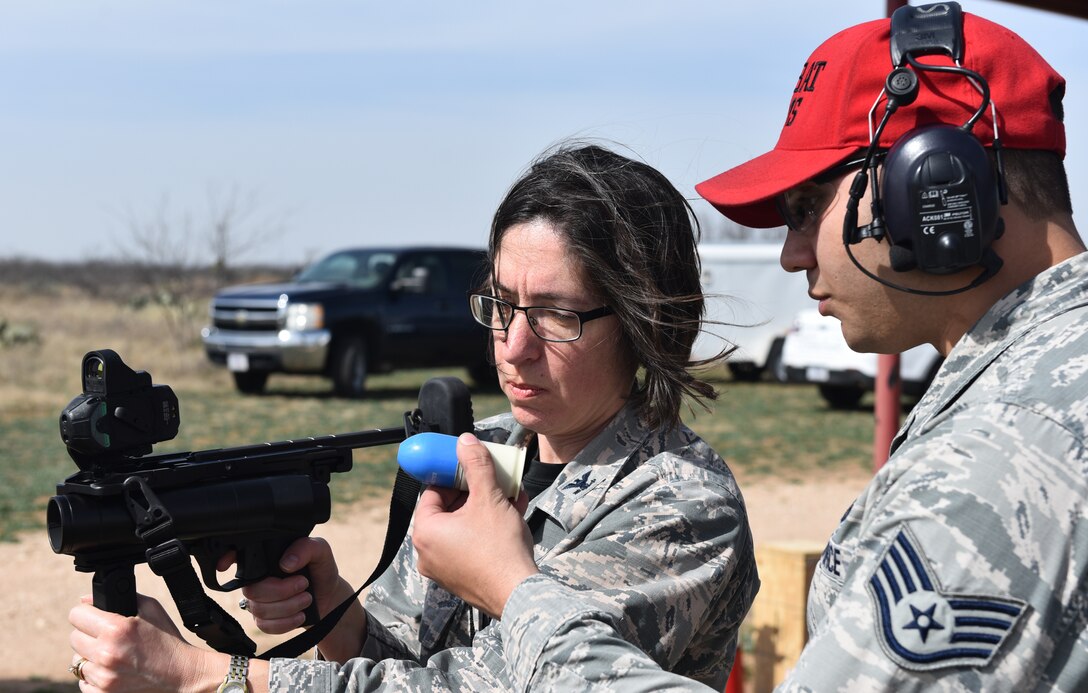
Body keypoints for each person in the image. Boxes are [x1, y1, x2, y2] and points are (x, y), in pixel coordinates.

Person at [408, 3, 1088, 691]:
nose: (792, 254)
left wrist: (514, 590)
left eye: (804, 210)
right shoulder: (1034, 388)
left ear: (934, 188)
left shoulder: (1012, 445)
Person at [66, 143, 760, 691]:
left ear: (641, 323)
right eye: (502, 305)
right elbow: (396, 656)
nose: (513, 346)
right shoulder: (485, 449)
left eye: (557, 315)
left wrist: (204, 676)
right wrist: (331, 604)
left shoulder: (679, 505)